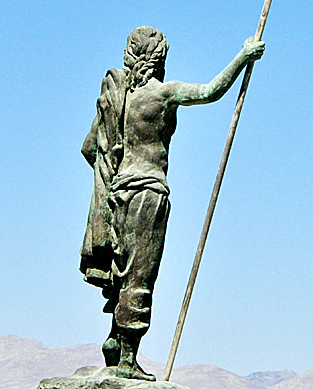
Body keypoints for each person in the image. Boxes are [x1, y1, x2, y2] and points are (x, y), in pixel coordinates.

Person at [80, 26, 265, 380]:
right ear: (159, 58)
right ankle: (128, 359)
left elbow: (90, 148)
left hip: (118, 194)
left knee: (123, 271)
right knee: (141, 274)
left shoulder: (118, 101)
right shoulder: (163, 94)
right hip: (148, 192)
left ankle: (114, 343)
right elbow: (210, 92)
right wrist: (243, 56)